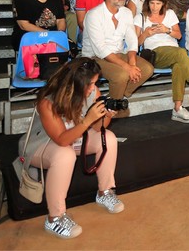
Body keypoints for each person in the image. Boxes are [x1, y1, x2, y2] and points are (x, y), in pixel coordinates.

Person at [20, 58, 123, 239]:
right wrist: (87, 120)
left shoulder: (92, 92)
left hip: (73, 138)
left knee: (109, 138)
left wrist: (106, 116)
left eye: (95, 82)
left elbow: (99, 128)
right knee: (65, 155)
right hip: (40, 145)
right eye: (90, 83)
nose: (93, 87)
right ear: (76, 83)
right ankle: (55, 218)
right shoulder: (48, 101)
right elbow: (61, 140)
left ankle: (105, 192)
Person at [81, 0, 154, 109]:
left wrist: (132, 62)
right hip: (95, 58)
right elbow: (100, 50)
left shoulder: (125, 12)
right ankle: (113, 109)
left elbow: (132, 39)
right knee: (122, 75)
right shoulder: (93, 15)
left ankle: (118, 96)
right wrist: (127, 67)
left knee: (147, 69)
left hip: (118, 53)